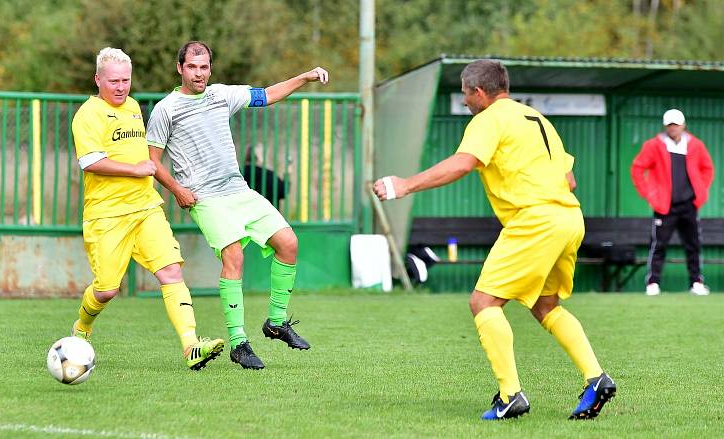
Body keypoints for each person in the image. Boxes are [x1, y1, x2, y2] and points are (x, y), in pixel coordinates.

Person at [373, 60, 616, 420]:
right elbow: (570, 180)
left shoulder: (488, 119)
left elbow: (462, 163)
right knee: (546, 306)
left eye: (465, 93)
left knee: (483, 302)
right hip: (569, 217)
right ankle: (596, 378)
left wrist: (404, 185)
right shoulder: (536, 119)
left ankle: (510, 395)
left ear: (480, 93)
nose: (464, 100)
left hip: (535, 220)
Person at [146, 41, 328, 370]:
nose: (198, 73)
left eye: (203, 67)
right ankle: (238, 343)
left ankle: (276, 323)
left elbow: (268, 94)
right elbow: (152, 161)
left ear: (210, 69)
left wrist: (304, 77)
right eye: (192, 67)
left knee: (289, 243)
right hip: (204, 196)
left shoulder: (222, 95)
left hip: (238, 189)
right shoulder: (166, 109)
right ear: (180, 69)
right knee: (235, 256)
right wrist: (176, 190)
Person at [70, 47, 224, 370]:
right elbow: (89, 162)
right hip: (107, 216)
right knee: (107, 289)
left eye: (126, 80)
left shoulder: (134, 107)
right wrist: (135, 170)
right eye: (113, 81)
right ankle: (82, 327)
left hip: (146, 209)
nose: (121, 87)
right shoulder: (88, 114)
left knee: (171, 271)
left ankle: (191, 346)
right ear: (98, 79)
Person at [631, 109, 714, 296]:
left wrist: (700, 191)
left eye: (676, 124)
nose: (673, 128)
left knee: (693, 244)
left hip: (689, 205)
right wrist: (649, 194)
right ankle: (652, 283)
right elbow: (637, 169)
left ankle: (696, 283)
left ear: (683, 125)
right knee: (658, 245)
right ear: (665, 126)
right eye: (670, 125)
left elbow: (707, 169)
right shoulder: (653, 145)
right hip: (664, 206)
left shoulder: (696, 145)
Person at [243, 143, 286, 208]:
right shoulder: (268, 175)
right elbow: (283, 191)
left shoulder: (240, 173)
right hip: (268, 215)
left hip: (246, 214)